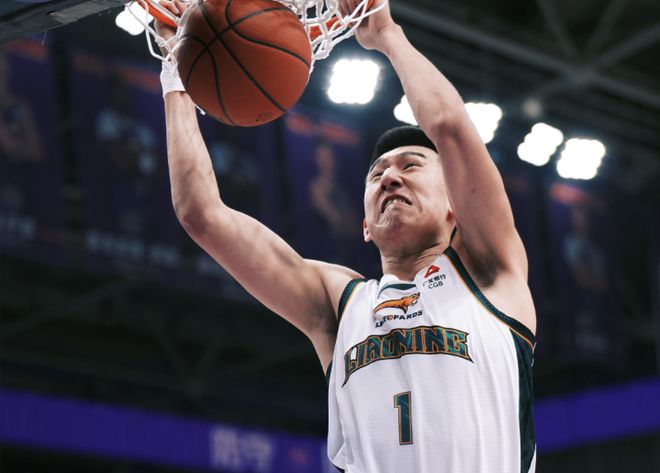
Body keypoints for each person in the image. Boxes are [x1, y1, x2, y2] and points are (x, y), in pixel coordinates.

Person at [156, 1, 537, 472]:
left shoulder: (490, 271)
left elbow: (449, 127)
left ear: (455, 205)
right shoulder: (340, 305)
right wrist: (176, 74)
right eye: (376, 175)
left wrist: (385, 33)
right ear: (365, 226)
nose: (390, 178)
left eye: (411, 165)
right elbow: (201, 215)